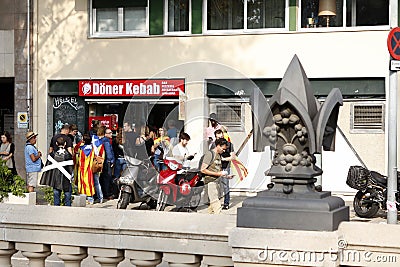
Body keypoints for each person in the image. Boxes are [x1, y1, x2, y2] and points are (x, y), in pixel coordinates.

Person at [200, 138, 233, 214]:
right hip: (210, 182)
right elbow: (203, 169)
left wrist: (226, 176)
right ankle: (220, 220)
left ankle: (209, 222)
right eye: (223, 148)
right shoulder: (210, 154)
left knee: (212, 208)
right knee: (216, 205)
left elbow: (218, 170)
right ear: (218, 146)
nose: (223, 151)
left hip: (217, 182)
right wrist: (218, 174)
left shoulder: (218, 155)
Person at [40, 136, 73, 206]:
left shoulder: (52, 155)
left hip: (55, 178)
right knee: (67, 194)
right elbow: (71, 168)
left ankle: (56, 207)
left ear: (56, 144)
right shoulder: (68, 155)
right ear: (65, 144)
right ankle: (68, 207)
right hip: (65, 178)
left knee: (56, 193)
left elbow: (48, 167)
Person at [76, 133, 102, 205]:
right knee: (91, 183)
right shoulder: (93, 148)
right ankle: (92, 199)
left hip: (82, 169)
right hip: (90, 169)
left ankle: (85, 198)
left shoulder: (81, 149)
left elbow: (77, 157)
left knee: (83, 183)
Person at [214, 129, 235, 210]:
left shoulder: (229, 145)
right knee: (215, 184)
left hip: (225, 166)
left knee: (225, 185)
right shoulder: (214, 144)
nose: (220, 139)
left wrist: (224, 159)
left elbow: (233, 157)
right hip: (216, 166)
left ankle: (226, 203)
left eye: (221, 137)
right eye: (218, 138)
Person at [98, 126, 115, 200]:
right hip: (107, 161)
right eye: (110, 133)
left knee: (102, 177)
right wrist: (111, 160)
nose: (112, 134)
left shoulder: (100, 140)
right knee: (107, 177)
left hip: (101, 161)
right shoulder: (106, 141)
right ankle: (107, 194)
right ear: (105, 134)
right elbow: (108, 152)